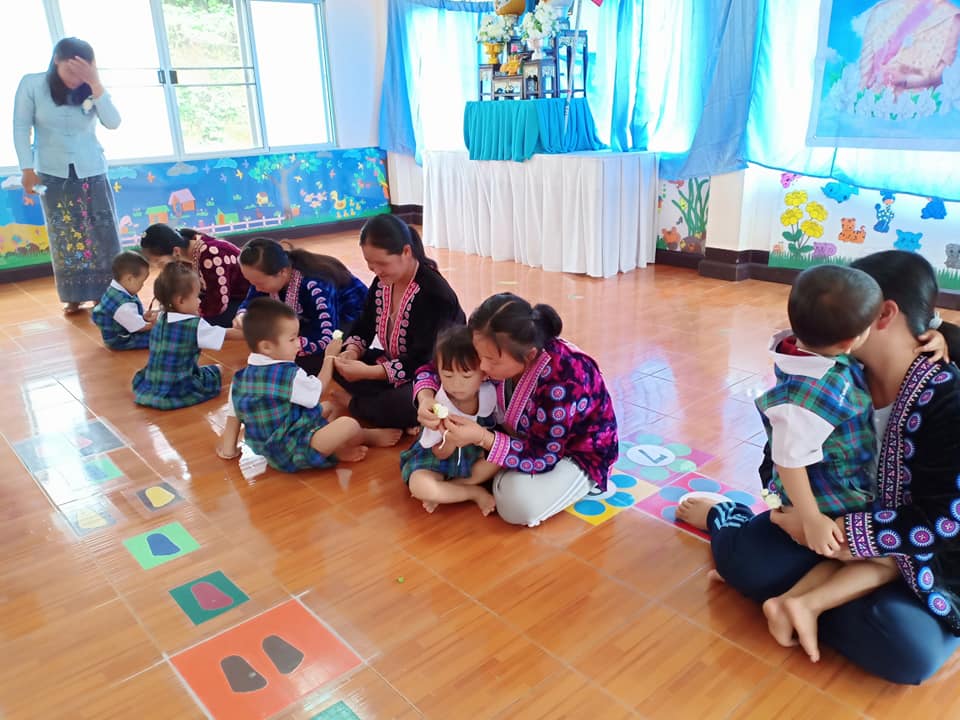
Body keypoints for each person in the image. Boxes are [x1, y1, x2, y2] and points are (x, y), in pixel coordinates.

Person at [676, 250, 960, 685]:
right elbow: (776, 459)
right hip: (824, 526)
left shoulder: (947, 398)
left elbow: (945, 520)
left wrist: (850, 537)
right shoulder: (829, 369)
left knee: (910, 653)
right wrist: (794, 515)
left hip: (911, 548)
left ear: (884, 314)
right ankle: (730, 520)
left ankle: (808, 601)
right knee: (747, 563)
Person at [748, 265, 897, 662]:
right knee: (892, 559)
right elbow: (788, 460)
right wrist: (812, 519)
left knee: (848, 556)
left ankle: (789, 604)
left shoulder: (805, 349)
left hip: (838, 491)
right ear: (852, 340)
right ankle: (805, 603)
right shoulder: (807, 399)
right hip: (832, 500)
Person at [414, 293, 619, 528]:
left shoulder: (563, 380)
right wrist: (425, 397)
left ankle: (578, 482)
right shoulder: (486, 340)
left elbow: (543, 454)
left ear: (529, 356)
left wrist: (483, 438)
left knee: (516, 504)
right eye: (480, 356)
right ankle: (483, 479)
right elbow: (434, 367)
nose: (482, 366)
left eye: (492, 361)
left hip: (572, 453)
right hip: (514, 438)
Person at [217, 298, 401, 470]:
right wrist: (329, 357)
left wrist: (229, 450)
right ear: (266, 346)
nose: (298, 344)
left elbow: (233, 417)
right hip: (291, 451)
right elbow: (318, 390)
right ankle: (365, 437)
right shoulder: (289, 375)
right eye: (292, 339)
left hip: (271, 450)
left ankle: (335, 448)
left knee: (328, 407)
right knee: (348, 424)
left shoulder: (239, 377)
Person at [13, 37, 122, 314]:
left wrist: (95, 83)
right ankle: (73, 296)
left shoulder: (92, 86)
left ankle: (107, 294)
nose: (75, 79)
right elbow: (21, 127)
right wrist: (27, 169)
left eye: (82, 72)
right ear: (56, 62)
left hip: (92, 169)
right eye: (70, 71)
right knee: (65, 235)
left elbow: (113, 122)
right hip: (51, 172)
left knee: (103, 233)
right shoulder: (32, 84)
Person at [335, 215, 465, 430]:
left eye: (382, 263)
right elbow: (365, 323)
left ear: (406, 251)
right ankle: (375, 406)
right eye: (370, 265)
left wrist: (369, 373)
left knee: (403, 404)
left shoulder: (434, 294)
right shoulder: (382, 282)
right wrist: (351, 352)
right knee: (335, 359)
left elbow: (424, 359)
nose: (376, 271)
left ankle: (355, 404)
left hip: (430, 375)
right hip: (394, 363)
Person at [401, 326, 499, 515]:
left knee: (500, 459)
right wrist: (451, 440)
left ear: (484, 373)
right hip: (440, 460)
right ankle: (471, 493)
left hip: (471, 458)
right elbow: (439, 453)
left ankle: (448, 491)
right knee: (420, 485)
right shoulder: (438, 405)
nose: (456, 384)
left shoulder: (490, 394)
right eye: (447, 375)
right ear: (438, 372)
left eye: (466, 376)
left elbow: (496, 430)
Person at [235, 238, 367, 373]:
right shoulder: (270, 276)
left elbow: (325, 336)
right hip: (312, 317)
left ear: (282, 272)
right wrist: (243, 314)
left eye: (259, 283)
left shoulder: (316, 286)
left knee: (305, 363)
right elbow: (251, 302)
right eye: (252, 282)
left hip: (350, 315)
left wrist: (283, 348)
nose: (256, 288)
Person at [132, 262, 242, 410]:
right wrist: (254, 333)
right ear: (181, 301)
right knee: (219, 371)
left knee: (205, 370)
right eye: (196, 297)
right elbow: (227, 334)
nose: (199, 301)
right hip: (178, 389)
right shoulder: (195, 325)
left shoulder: (161, 317)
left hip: (151, 384)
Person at [139, 224, 250, 327]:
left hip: (245, 300)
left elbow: (218, 305)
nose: (160, 268)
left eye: (160, 262)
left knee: (188, 326)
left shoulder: (211, 255)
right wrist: (165, 313)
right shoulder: (188, 253)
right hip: (223, 299)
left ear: (176, 251)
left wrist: (176, 317)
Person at [91, 250, 155, 350]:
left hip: (127, 327)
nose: (142, 286)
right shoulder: (123, 305)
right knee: (157, 336)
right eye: (141, 282)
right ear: (130, 279)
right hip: (121, 339)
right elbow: (139, 327)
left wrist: (143, 316)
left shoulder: (116, 288)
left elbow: (130, 316)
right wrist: (156, 325)